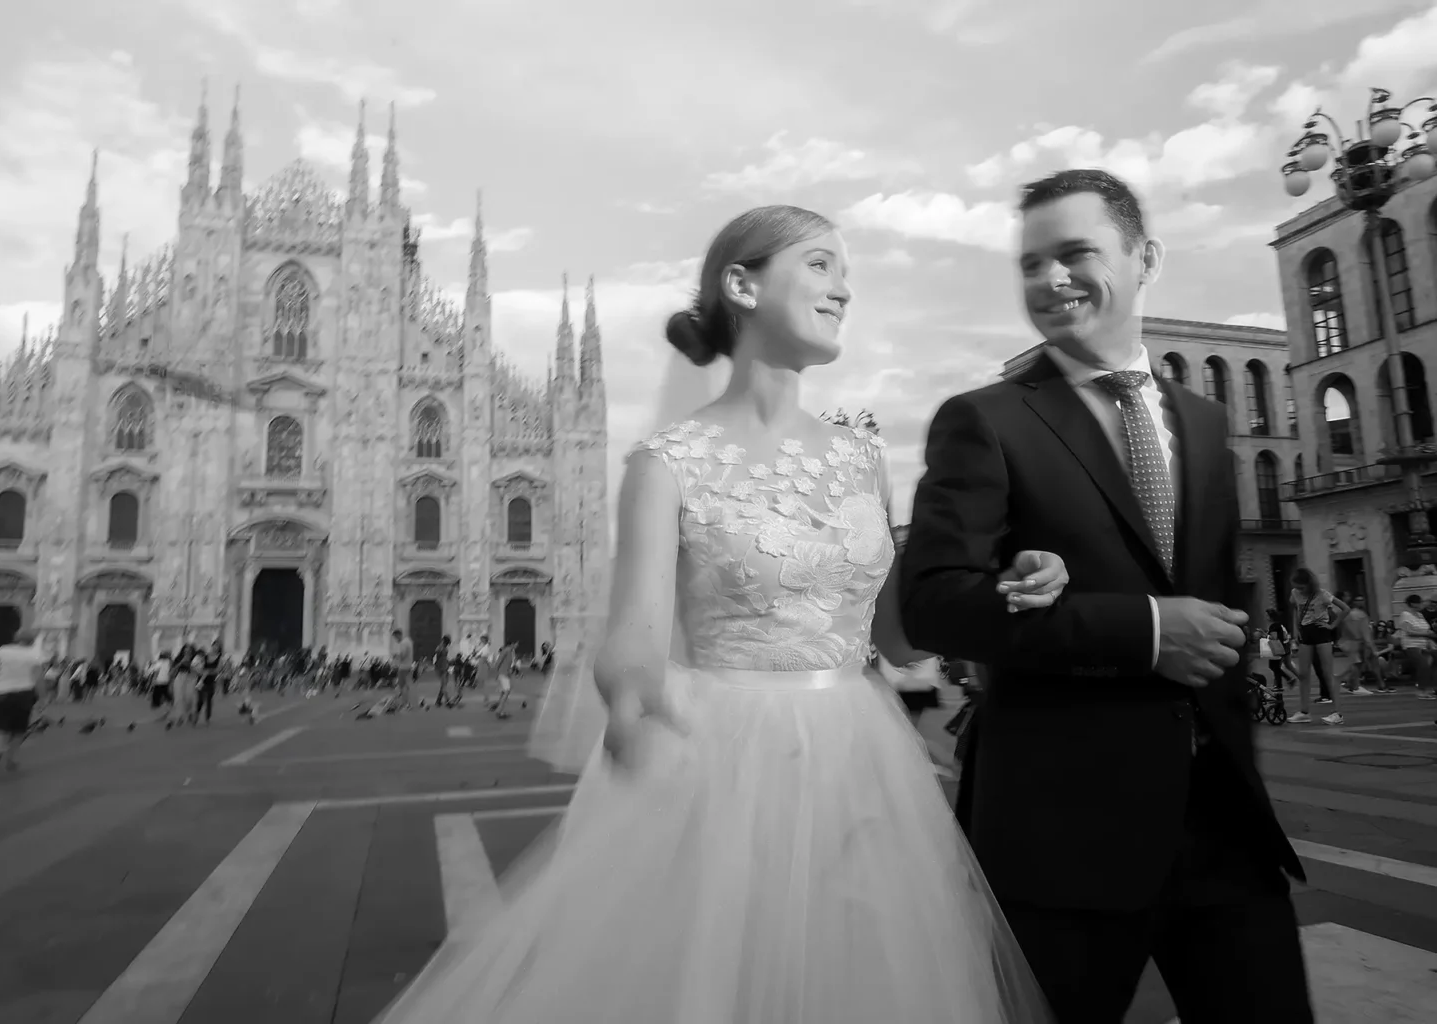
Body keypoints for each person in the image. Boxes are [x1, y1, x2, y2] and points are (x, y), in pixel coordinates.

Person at [373, 205, 1064, 1023]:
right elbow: (631, 635)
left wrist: (1000, 585)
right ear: (741, 284)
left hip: (863, 761)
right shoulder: (666, 464)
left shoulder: (862, 457)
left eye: (845, 269)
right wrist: (632, 697)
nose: (843, 287)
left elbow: (894, 637)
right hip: (725, 762)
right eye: (818, 264)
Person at [898, 170, 1312, 1022]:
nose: (1050, 281)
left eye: (1075, 253)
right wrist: (1141, 630)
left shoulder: (1200, 421)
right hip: (1062, 838)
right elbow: (935, 604)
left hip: (1223, 830)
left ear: (1145, 257)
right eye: (1030, 264)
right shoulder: (986, 419)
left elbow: (1213, 612)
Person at [0, 629, 45, 773]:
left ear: (15, 638)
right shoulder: (34, 654)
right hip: (24, 694)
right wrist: (42, 699)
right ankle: (11, 759)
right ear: (31, 641)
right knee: (19, 729)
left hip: (0, 692)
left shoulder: (2, 651)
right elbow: (38, 679)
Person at [1287, 568, 1346, 724]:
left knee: (1327, 673)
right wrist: (1295, 631)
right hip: (1305, 633)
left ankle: (1337, 713)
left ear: (1309, 584)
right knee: (1303, 673)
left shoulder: (1322, 594)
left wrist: (1333, 626)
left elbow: (1345, 608)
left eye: (1302, 587)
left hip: (1321, 632)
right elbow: (1295, 610)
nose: (1299, 590)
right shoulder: (1295, 593)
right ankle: (1304, 711)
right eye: (1296, 587)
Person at [391, 629, 414, 708]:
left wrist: (396, 656)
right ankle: (407, 702)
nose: (396, 639)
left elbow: (403, 655)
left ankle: (405, 703)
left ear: (398, 635)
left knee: (402, 686)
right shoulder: (409, 641)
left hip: (403, 667)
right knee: (406, 685)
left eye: (395, 637)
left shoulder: (403, 643)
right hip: (409, 666)